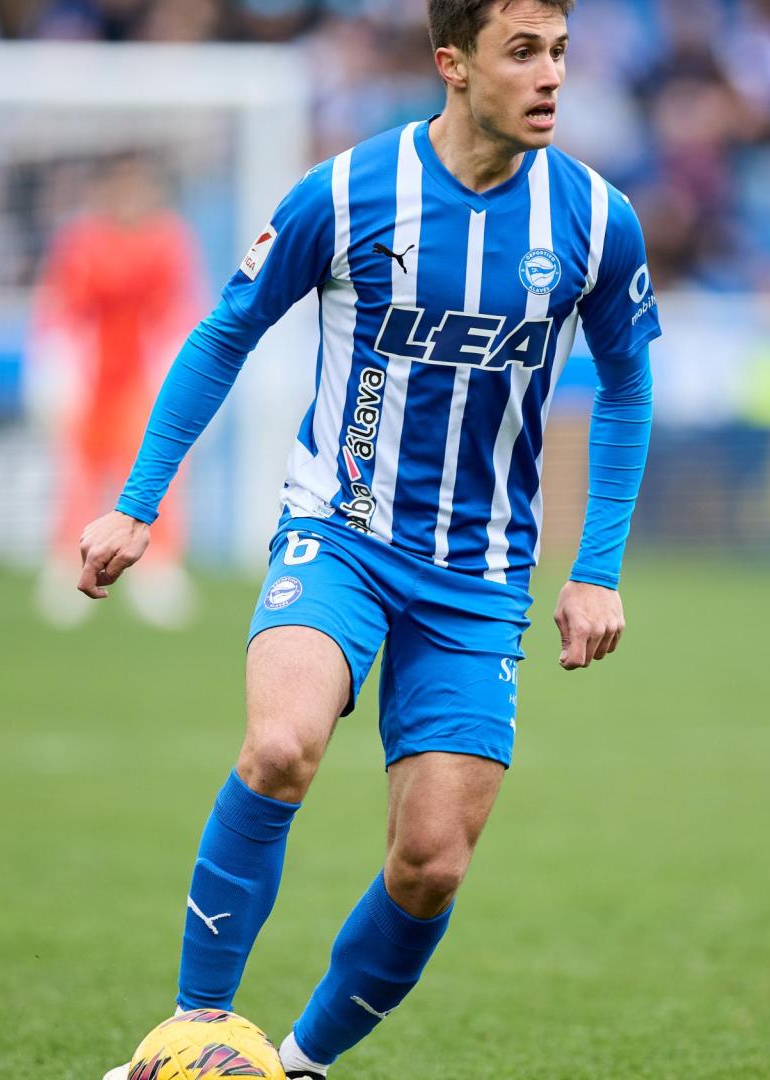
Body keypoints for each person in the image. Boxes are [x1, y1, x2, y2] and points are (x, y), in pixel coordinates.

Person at [79, 0, 658, 1073]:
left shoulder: (594, 218)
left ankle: (294, 1066)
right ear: (453, 63)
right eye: (522, 52)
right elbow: (225, 334)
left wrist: (596, 569)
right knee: (282, 745)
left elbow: (627, 385)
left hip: (481, 576)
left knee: (432, 861)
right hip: (338, 533)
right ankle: (191, 1033)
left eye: (561, 53)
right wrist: (137, 502)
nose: (551, 77)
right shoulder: (346, 194)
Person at [32, 154, 203, 629]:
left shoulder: (169, 242)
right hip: (92, 383)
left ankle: (159, 569)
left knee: (155, 475)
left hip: (142, 385)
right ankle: (68, 564)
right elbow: (60, 309)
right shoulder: (81, 242)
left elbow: (180, 313)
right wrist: (55, 369)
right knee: (78, 477)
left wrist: (176, 378)